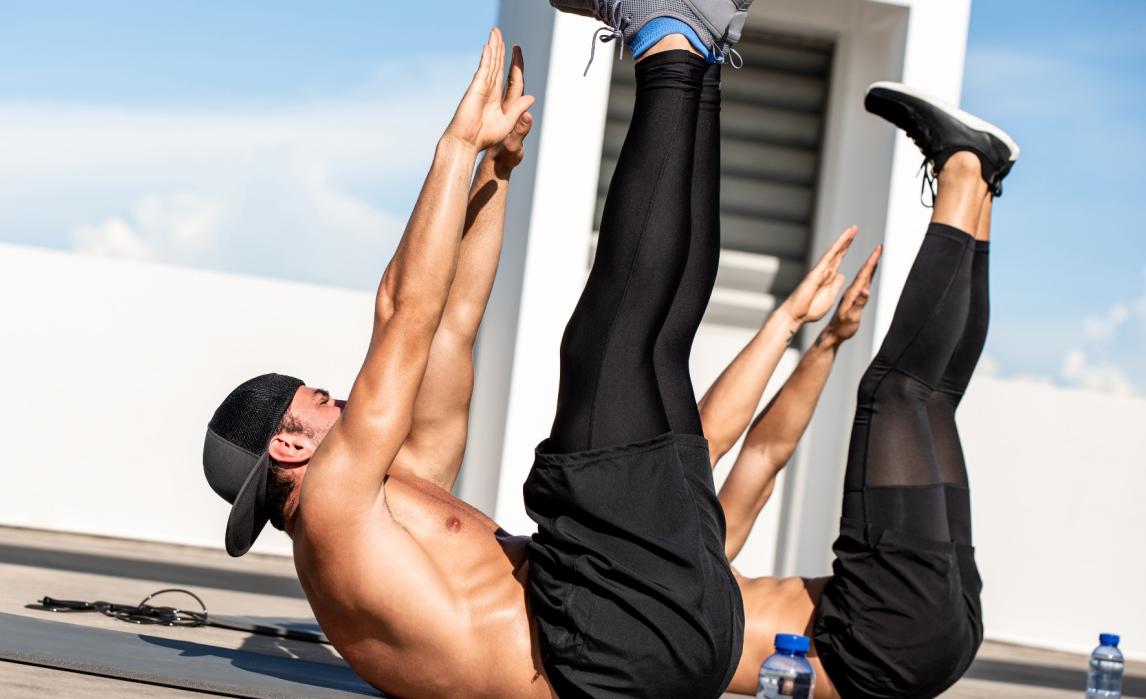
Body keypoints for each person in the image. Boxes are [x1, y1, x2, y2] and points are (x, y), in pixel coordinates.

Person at [201, 1, 789, 694]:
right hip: (607, 649)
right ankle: (667, 31)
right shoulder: (330, 512)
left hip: (660, 630)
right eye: (322, 399)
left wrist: (497, 169)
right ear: (289, 446)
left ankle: (701, 52)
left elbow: (453, 324)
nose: (347, 398)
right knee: (605, 353)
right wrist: (456, 145)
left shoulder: (392, 498)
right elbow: (402, 315)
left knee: (657, 347)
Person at [699, 82, 1018, 698]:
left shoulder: (682, 563)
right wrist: (789, 323)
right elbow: (718, 441)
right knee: (895, 393)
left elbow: (763, 457)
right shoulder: (643, 597)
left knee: (932, 399)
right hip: (880, 642)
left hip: (926, 635)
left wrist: (827, 344)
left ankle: (979, 191)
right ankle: (961, 169)